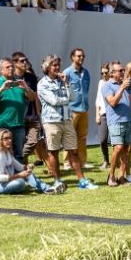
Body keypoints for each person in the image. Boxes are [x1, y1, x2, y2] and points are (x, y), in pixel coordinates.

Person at [36, 54, 97, 192]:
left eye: (58, 64)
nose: (57, 68)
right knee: (53, 152)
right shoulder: (42, 83)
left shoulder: (62, 80)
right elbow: (54, 101)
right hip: (51, 121)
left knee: (73, 152)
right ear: (47, 67)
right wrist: (66, 98)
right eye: (54, 65)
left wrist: (67, 84)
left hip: (66, 119)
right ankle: (57, 181)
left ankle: (82, 181)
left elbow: (73, 97)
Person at [0, 129, 59, 195]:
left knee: (25, 174)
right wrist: (19, 175)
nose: (9, 141)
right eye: (6, 139)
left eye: (10, 138)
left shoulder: (6, 151)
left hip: (2, 183)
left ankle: (47, 188)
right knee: (20, 182)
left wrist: (27, 167)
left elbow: (19, 167)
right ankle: (47, 189)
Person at [0, 57, 34, 162]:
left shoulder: (19, 82)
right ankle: (2, 177)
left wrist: (26, 88)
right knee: (1, 155)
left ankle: (18, 177)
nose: (11, 69)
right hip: (2, 126)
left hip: (18, 125)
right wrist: (2, 88)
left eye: (12, 66)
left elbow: (32, 97)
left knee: (18, 155)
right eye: (7, 67)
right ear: (1, 70)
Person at [101, 61, 131, 186]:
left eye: (123, 70)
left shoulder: (125, 83)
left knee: (127, 149)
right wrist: (121, 88)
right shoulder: (107, 86)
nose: (122, 72)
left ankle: (121, 177)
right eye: (120, 71)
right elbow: (113, 102)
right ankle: (111, 176)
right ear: (112, 73)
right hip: (116, 121)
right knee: (118, 148)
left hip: (128, 120)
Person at [63, 48, 92, 169]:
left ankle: (82, 161)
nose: (81, 58)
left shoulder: (86, 72)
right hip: (71, 109)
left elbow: (86, 89)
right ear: (72, 57)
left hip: (84, 108)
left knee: (82, 137)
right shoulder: (67, 73)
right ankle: (66, 162)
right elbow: (64, 92)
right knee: (69, 136)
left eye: (83, 56)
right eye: (79, 56)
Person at [94, 62, 111, 168]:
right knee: (102, 139)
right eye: (102, 73)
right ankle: (106, 160)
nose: (104, 75)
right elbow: (98, 99)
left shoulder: (113, 83)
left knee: (115, 140)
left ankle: (116, 160)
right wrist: (97, 114)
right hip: (103, 114)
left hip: (113, 114)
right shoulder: (101, 82)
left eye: (106, 73)